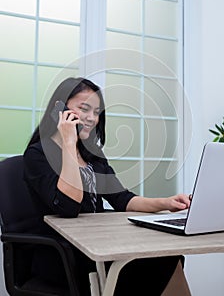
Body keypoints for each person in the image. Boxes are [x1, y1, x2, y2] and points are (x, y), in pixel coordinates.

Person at [23, 77, 191, 296]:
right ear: (60, 109)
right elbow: (68, 207)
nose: (92, 118)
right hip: (63, 257)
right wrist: (68, 142)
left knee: (169, 259)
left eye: (97, 112)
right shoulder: (37, 154)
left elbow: (123, 199)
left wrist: (167, 202)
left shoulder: (92, 154)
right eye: (84, 109)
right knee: (160, 265)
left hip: (99, 248)